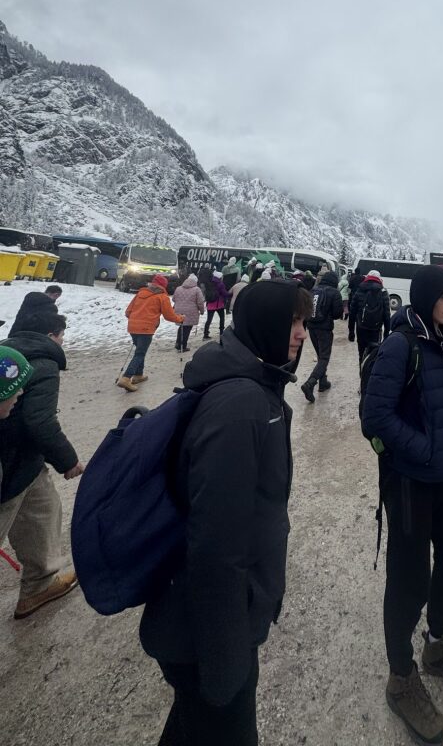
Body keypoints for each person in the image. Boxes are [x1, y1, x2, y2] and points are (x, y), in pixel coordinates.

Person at [139, 278, 312, 746]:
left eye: (303, 322)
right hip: (208, 633)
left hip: (210, 622)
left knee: (192, 727)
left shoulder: (255, 386)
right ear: (263, 324)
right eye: (293, 322)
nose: (302, 334)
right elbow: (215, 545)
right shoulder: (241, 406)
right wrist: (224, 658)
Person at [362, 265, 443, 746]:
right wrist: (426, 450)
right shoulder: (401, 345)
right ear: (423, 297)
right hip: (411, 482)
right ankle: (401, 678)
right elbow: (375, 416)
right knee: (409, 582)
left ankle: (438, 645)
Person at [0, 315, 83, 619]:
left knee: (42, 511)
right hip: (9, 467)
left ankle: (39, 585)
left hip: (27, 463)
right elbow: (40, 421)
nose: (21, 394)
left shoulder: (10, 352)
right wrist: (68, 461)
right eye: (61, 335)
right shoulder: (45, 364)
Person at [118, 275, 184, 391]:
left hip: (133, 327)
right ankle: (126, 378)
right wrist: (180, 318)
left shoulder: (140, 293)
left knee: (140, 351)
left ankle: (138, 375)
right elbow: (169, 315)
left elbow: (128, 312)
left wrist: (136, 319)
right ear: (164, 286)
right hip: (146, 329)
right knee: (140, 353)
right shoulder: (162, 297)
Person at [301, 270, 343, 403]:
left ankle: (323, 382)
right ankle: (310, 383)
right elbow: (337, 314)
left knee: (320, 356)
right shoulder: (334, 292)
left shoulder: (314, 290)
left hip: (312, 327)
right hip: (324, 329)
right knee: (324, 357)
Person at [348, 269, 391, 364]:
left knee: (361, 354)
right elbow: (387, 314)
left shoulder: (360, 289)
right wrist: (386, 332)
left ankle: (362, 370)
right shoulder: (383, 292)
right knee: (374, 355)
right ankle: (370, 372)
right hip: (376, 329)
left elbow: (352, 312)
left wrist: (351, 331)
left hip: (361, 328)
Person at [172, 274, 206, 353]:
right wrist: (202, 311)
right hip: (191, 311)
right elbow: (200, 302)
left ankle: (178, 343)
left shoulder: (178, 288)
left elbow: (173, 299)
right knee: (187, 328)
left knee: (181, 326)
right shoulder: (197, 289)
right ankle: (183, 346)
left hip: (179, 310)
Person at [203, 271, 229, 341]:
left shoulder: (209, 283)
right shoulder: (221, 284)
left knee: (209, 320)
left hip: (210, 304)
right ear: (220, 277)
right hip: (219, 304)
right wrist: (230, 294)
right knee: (222, 318)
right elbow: (224, 293)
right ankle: (221, 332)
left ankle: (205, 334)